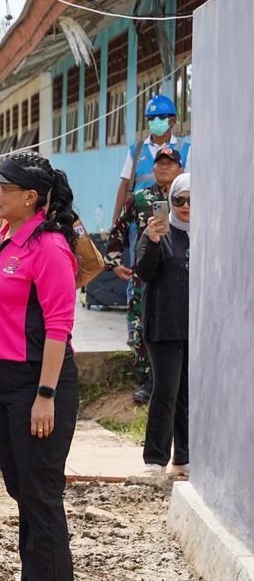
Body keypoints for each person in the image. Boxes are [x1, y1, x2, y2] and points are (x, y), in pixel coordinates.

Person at [0, 150, 79, 581]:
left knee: (41, 492)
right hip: (3, 378)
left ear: (31, 197)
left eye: (2, 188)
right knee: (20, 487)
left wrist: (45, 394)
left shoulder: (50, 247)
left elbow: (59, 326)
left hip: (38, 382)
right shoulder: (5, 237)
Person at [105, 146, 183, 404]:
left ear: (179, 170)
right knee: (141, 326)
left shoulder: (187, 199)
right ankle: (148, 381)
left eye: (169, 163)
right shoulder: (139, 199)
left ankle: (174, 382)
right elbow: (118, 229)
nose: (163, 167)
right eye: (159, 163)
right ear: (153, 168)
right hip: (145, 275)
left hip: (179, 277)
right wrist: (114, 261)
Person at [134, 173, 191, 478]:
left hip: (195, 327)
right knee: (166, 391)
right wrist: (154, 241)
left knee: (187, 393)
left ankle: (184, 458)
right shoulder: (156, 233)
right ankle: (155, 459)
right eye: (179, 200)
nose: (185, 206)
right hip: (164, 325)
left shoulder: (202, 233)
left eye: (192, 201)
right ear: (170, 202)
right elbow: (144, 272)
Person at [110, 94, 191, 225]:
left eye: (161, 117)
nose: (156, 120)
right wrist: (115, 220)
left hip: (174, 222)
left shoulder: (185, 150)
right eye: (152, 118)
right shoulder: (136, 150)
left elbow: (189, 188)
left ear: (173, 120)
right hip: (139, 222)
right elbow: (125, 185)